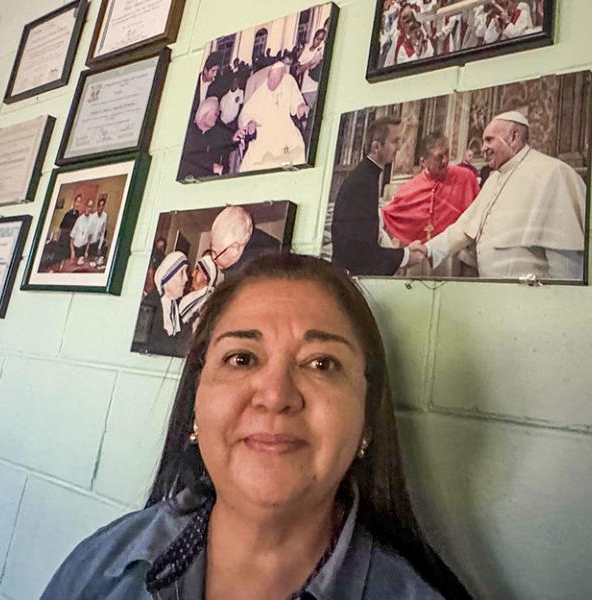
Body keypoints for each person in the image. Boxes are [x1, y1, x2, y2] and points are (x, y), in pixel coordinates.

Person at [41, 253, 472, 599]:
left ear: (366, 421)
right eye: (242, 358)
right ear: (195, 404)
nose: (275, 394)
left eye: (321, 364)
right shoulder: (101, 567)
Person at [414, 110, 586, 280]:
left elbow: (567, 261)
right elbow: (464, 228)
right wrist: (428, 249)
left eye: (489, 140)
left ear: (513, 137)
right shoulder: (494, 179)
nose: (483, 148)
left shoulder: (553, 173)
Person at [330, 116, 424, 275]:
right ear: (376, 147)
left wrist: (404, 251)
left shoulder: (366, 176)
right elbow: (361, 254)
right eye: (394, 141)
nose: (399, 147)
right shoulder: (362, 183)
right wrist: (406, 256)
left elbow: (371, 233)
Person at [381, 131, 479, 246]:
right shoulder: (409, 189)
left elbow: (480, 212)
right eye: (439, 157)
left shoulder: (466, 178)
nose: (445, 161)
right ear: (423, 162)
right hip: (421, 254)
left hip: (457, 252)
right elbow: (389, 216)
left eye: (447, 154)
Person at [237, 62, 309, 172]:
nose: (271, 83)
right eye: (270, 78)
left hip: (285, 130)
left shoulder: (288, 81)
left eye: (275, 79)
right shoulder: (261, 90)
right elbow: (245, 114)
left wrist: (300, 106)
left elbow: (297, 100)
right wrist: (249, 122)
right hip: (264, 134)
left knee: (297, 150)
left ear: (282, 77)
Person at [209, 205, 283, 280]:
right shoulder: (249, 234)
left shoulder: (241, 277)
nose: (213, 258)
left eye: (216, 253)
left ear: (234, 249)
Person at [180, 97, 233, 180]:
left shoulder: (218, 132)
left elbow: (229, 144)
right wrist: (212, 166)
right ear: (205, 114)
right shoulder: (189, 133)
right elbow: (188, 159)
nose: (217, 116)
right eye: (215, 114)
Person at [69, 198, 95, 265]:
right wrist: (72, 251)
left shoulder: (92, 219)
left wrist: (86, 251)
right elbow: (72, 237)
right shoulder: (79, 219)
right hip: (75, 248)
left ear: (92, 209)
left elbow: (90, 236)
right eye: (88, 206)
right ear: (85, 206)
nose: (89, 209)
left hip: (83, 249)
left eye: (91, 207)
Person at [88, 197, 109, 264]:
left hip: (97, 243)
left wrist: (99, 247)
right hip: (89, 243)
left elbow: (103, 233)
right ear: (97, 207)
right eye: (99, 205)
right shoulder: (93, 217)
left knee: (95, 262)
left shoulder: (105, 215)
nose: (101, 207)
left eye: (102, 205)